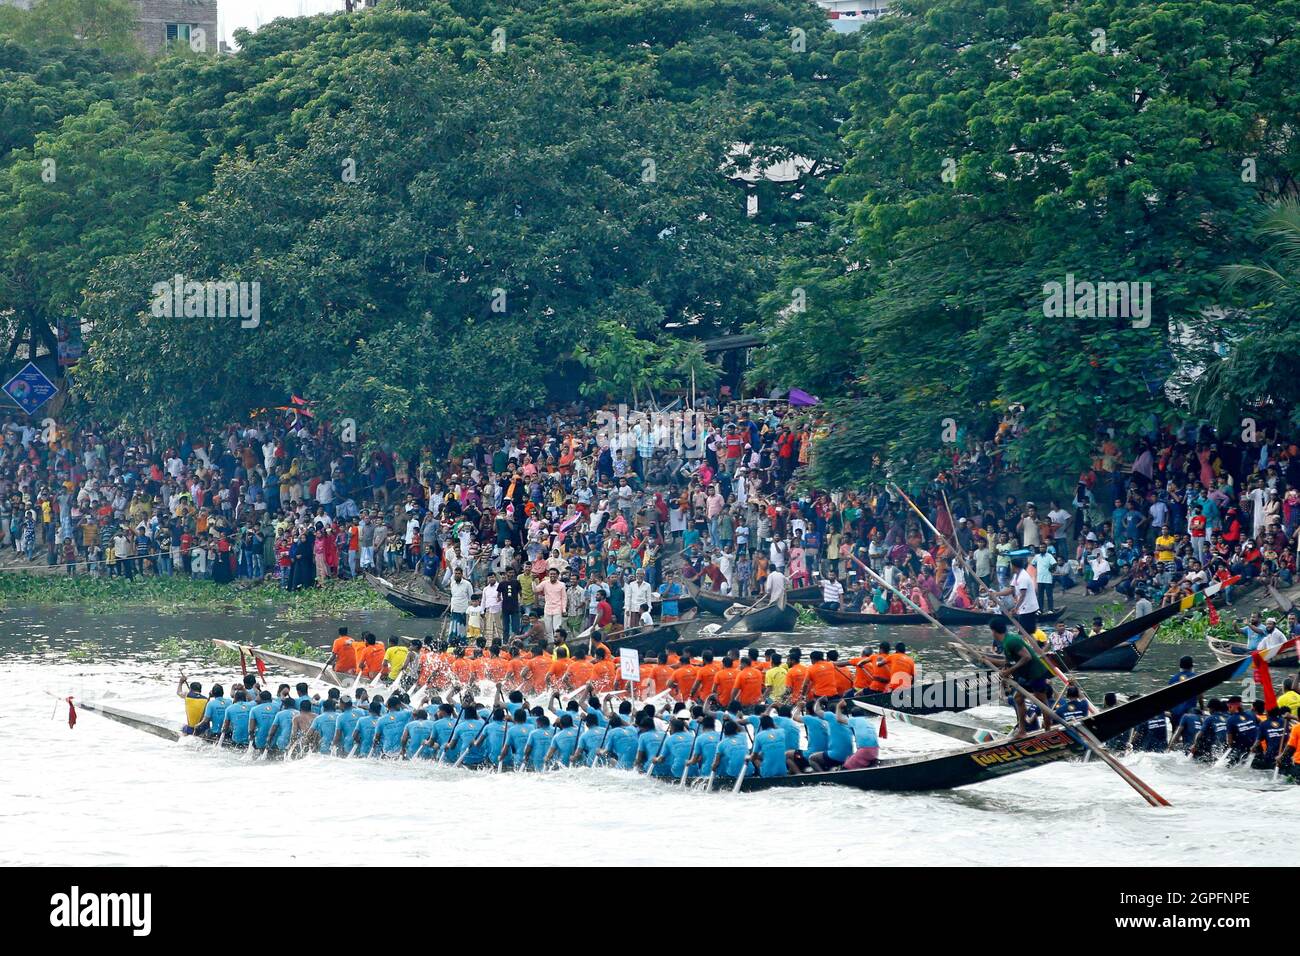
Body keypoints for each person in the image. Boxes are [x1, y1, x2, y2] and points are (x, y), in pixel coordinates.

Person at [989, 617, 1051, 737]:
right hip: (1026, 675)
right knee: (1018, 698)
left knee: (1042, 701)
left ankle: (1048, 730)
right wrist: (989, 660)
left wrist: (1010, 671)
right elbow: (1007, 662)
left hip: (1036, 673)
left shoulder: (1011, 641)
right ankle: (1022, 731)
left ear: (994, 631)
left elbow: (1027, 657)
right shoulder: (1006, 642)